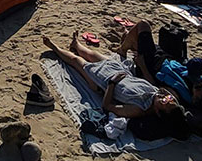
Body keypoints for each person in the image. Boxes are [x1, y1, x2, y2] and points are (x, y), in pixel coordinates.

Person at [41, 33, 188, 135]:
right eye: (170, 100)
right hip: (121, 72)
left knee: (78, 62)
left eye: (166, 103)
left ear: (158, 111)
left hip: (105, 81)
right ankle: (77, 44)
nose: (166, 98)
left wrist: (112, 84)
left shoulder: (138, 109)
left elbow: (107, 106)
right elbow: (150, 83)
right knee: (93, 55)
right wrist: (141, 66)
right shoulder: (157, 94)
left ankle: (54, 47)